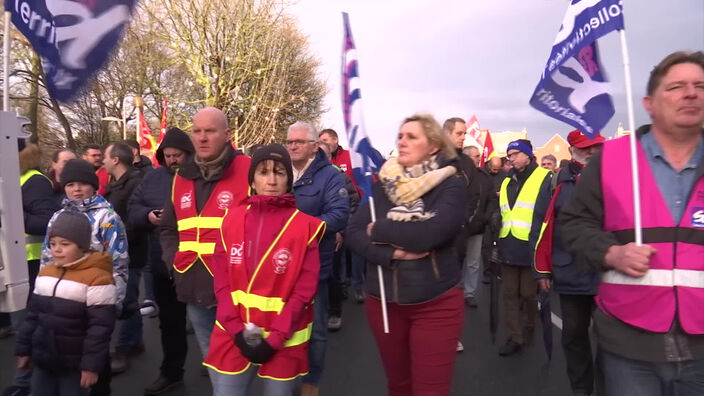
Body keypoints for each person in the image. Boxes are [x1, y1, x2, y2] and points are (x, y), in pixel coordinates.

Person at [561, 51, 704, 396]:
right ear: (649, 103)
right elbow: (574, 224)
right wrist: (611, 253)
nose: (691, 93)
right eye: (676, 86)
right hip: (630, 345)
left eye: (700, 85)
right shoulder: (611, 159)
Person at [347, 113, 467, 396]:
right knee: (398, 386)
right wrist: (391, 255)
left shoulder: (451, 183)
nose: (402, 141)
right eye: (400, 136)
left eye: (411, 137)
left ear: (434, 146)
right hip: (384, 302)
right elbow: (353, 232)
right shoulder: (382, 183)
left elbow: (431, 234)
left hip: (436, 302)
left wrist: (377, 231)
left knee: (430, 390)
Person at [203, 144, 325, 396]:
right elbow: (222, 283)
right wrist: (236, 330)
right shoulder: (230, 220)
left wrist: (275, 339)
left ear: (289, 181)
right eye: (263, 172)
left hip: (284, 339)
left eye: (279, 172)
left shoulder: (305, 227)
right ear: (252, 180)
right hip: (233, 333)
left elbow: (304, 291)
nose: (271, 180)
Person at [160, 107, 251, 375]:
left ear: (227, 135)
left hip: (238, 291)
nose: (202, 138)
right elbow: (168, 228)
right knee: (214, 364)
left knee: (241, 366)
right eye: (197, 131)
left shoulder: (249, 170)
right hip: (192, 285)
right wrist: (173, 265)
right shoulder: (180, 177)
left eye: (209, 131)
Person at [41, 158, 129, 396]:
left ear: (93, 185)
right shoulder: (57, 217)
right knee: (66, 355)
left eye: (82, 183)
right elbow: (47, 259)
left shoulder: (107, 217)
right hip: (63, 300)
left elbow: (118, 263)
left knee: (96, 353)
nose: (76, 189)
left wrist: (114, 302)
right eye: (70, 184)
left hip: (96, 297)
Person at [531, 130, 605, 396]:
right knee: (574, 337)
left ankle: (608, 387)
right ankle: (581, 389)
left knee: (611, 339)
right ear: (573, 150)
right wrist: (541, 268)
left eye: (597, 146)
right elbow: (541, 225)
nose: (593, 152)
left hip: (607, 272)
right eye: (587, 147)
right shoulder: (555, 183)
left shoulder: (618, 177)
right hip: (569, 272)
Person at [15, 211, 116, 396]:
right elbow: (32, 317)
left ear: (83, 246)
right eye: (53, 244)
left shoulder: (98, 278)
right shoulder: (46, 273)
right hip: (43, 360)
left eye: (65, 244)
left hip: (74, 365)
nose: (56, 249)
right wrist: (24, 349)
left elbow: (99, 329)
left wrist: (90, 366)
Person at [129, 127, 194, 394]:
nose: (172, 160)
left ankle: (220, 368)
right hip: (164, 264)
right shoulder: (153, 178)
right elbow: (132, 209)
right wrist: (148, 217)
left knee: (214, 321)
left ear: (188, 154)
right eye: (167, 155)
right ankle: (171, 372)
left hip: (203, 265)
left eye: (177, 155)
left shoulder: (203, 177)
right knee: (170, 324)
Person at [286, 121, 349, 396]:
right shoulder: (278, 171)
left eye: (299, 142)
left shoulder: (332, 176)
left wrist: (297, 230)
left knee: (316, 332)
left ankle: (310, 384)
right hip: (278, 268)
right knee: (283, 328)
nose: (292, 146)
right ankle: (283, 381)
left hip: (313, 267)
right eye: (289, 141)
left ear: (314, 146)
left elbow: (338, 216)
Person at [2, 139, 60, 396]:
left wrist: (11, 214)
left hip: (31, 263)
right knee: (23, 327)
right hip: (13, 263)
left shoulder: (33, 180)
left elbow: (46, 221)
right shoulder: (13, 178)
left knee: (26, 327)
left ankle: (27, 384)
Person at [497, 139, 552, 356]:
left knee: (529, 294)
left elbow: (546, 214)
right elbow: (504, 211)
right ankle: (514, 336)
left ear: (528, 155)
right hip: (508, 244)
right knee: (510, 294)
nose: (511, 158)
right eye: (509, 155)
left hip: (531, 246)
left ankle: (529, 325)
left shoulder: (544, 178)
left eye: (515, 154)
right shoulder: (506, 181)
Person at [102, 142, 146, 374]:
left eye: (106, 158)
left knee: (126, 300)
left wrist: (113, 238)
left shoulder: (134, 184)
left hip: (127, 252)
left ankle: (123, 348)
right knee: (129, 298)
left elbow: (132, 221)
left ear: (116, 160)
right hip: (119, 250)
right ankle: (135, 341)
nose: (103, 161)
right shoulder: (118, 184)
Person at [318, 141, 360, 332]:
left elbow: (352, 205)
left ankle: (335, 311)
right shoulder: (302, 177)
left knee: (334, 274)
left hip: (334, 235)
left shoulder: (340, 177)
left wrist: (341, 231)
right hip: (310, 237)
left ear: (328, 157)